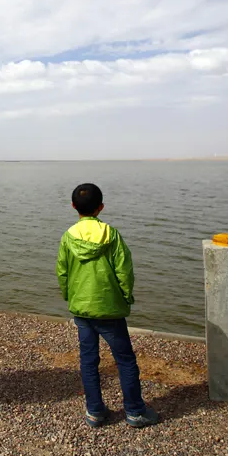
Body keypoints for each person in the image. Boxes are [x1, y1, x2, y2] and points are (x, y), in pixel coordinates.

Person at [56, 183, 159, 429]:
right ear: (101, 207)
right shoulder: (111, 234)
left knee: (88, 360)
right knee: (125, 360)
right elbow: (124, 271)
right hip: (109, 308)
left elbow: (62, 272)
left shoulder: (68, 236)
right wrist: (126, 296)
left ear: (73, 206)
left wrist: (70, 296)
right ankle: (135, 411)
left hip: (82, 308)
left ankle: (95, 412)